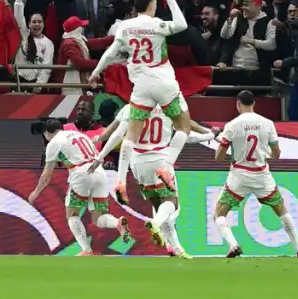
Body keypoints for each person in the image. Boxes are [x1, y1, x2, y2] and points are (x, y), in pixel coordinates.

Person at [88, 0, 192, 205]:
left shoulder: (125, 27)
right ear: (152, 4)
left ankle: (120, 182)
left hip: (140, 85)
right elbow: (182, 25)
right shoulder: (156, 24)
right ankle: (166, 167)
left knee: (130, 137)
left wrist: (96, 72)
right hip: (163, 82)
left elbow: (110, 53)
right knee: (183, 128)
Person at [90, 103, 217, 258]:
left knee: (159, 206)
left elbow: (116, 134)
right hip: (161, 159)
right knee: (171, 202)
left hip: (138, 162)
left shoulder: (132, 107)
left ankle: (176, 249)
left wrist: (99, 153)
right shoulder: (168, 108)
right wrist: (209, 136)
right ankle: (156, 224)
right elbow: (186, 135)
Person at [214, 90, 298, 259]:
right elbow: (276, 154)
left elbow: (219, 157)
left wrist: (224, 143)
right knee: (281, 210)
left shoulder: (232, 125)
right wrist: (266, 152)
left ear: (238, 104)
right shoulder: (267, 124)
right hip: (261, 176)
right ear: (254, 103)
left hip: (239, 176)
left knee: (219, 214)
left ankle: (233, 245)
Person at [26, 118, 130, 257]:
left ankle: (87, 250)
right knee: (98, 217)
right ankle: (117, 223)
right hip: (99, 172)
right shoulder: (81, 136)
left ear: (46, 133)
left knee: (72, 214)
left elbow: (47, 174)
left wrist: (36, 192)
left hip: (81, 173)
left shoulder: (54, 142)